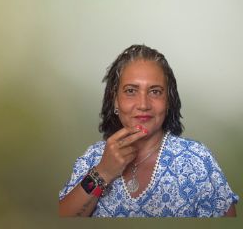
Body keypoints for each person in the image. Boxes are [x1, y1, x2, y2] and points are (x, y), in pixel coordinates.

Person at [59, 44, 238, 217]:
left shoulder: (197, 160)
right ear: (115, 100)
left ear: (168, 101)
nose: (143, 105)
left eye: (155, 92)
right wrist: (103, 172)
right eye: (130, 91)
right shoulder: (93, 158)